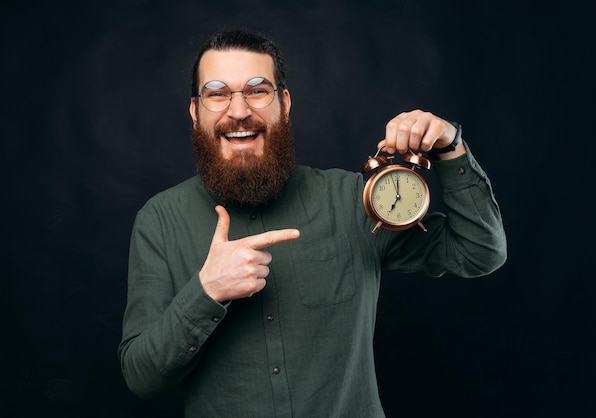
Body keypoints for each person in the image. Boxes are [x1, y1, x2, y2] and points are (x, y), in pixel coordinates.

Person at [118, 28, 507, 417]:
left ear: (284, 103)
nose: (238, 111)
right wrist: (206, 292)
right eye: (217, 93)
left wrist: (449, 145)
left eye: (257, 90)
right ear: (195, 110)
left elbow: (479, 251)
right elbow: (141, 377)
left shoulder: (355, 202)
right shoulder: (159, 220)